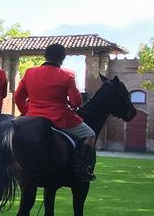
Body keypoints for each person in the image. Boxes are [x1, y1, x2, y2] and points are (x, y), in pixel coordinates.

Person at [14, 43, 96, 181]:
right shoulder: (68, 75)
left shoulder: (29, 72)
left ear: (45, 56)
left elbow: (18, 97)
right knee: (90, 134)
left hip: (32, 118)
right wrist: (70, 103)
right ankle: (82, 168)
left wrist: (27, 112)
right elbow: (76, 102)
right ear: (62, 58)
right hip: (59, 118)